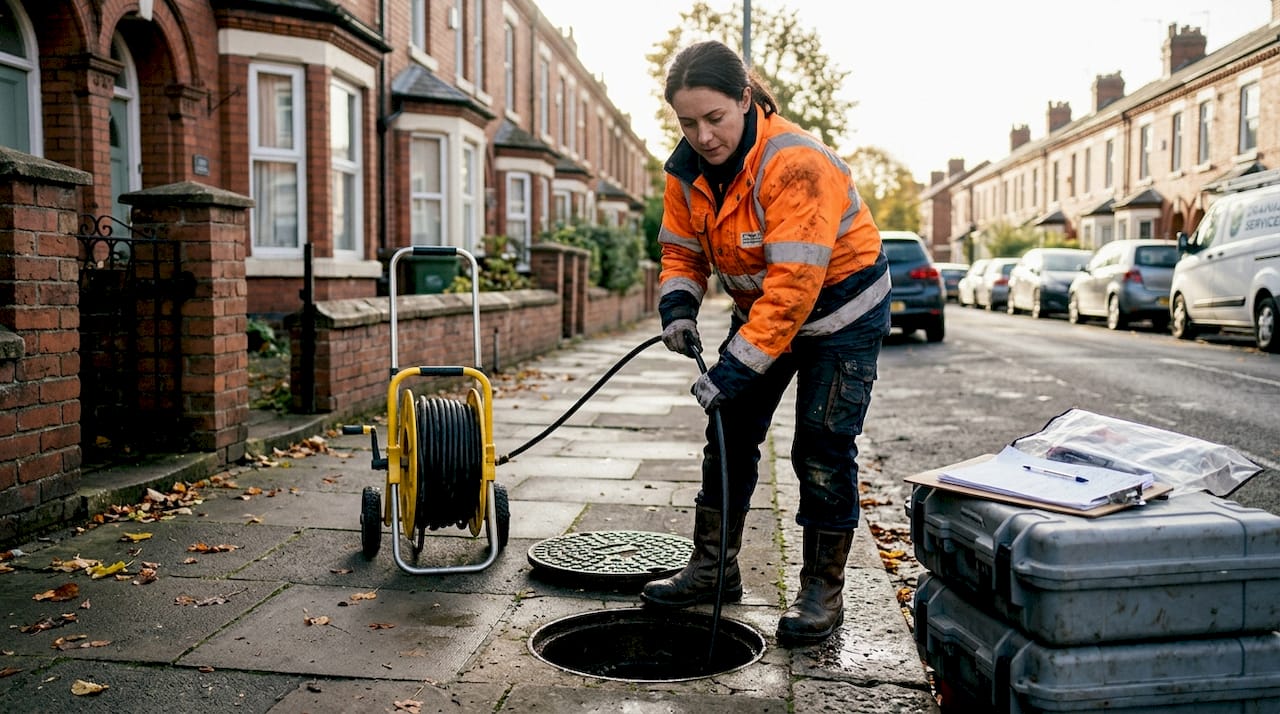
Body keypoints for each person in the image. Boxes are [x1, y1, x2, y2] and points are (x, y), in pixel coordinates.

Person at [640, 39, 891, 647]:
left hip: (840, 314)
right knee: (728, 429)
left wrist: (733, 368)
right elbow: (681, 249)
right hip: (767, 309)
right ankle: (713, 569)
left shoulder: (795, 163)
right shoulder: (687, 170)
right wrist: (678, 304)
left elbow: (795, 287)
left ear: (745, 99)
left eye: (715, 118)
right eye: (688, 121)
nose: (703, 135)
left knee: (822, 447)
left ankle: (820, 591)